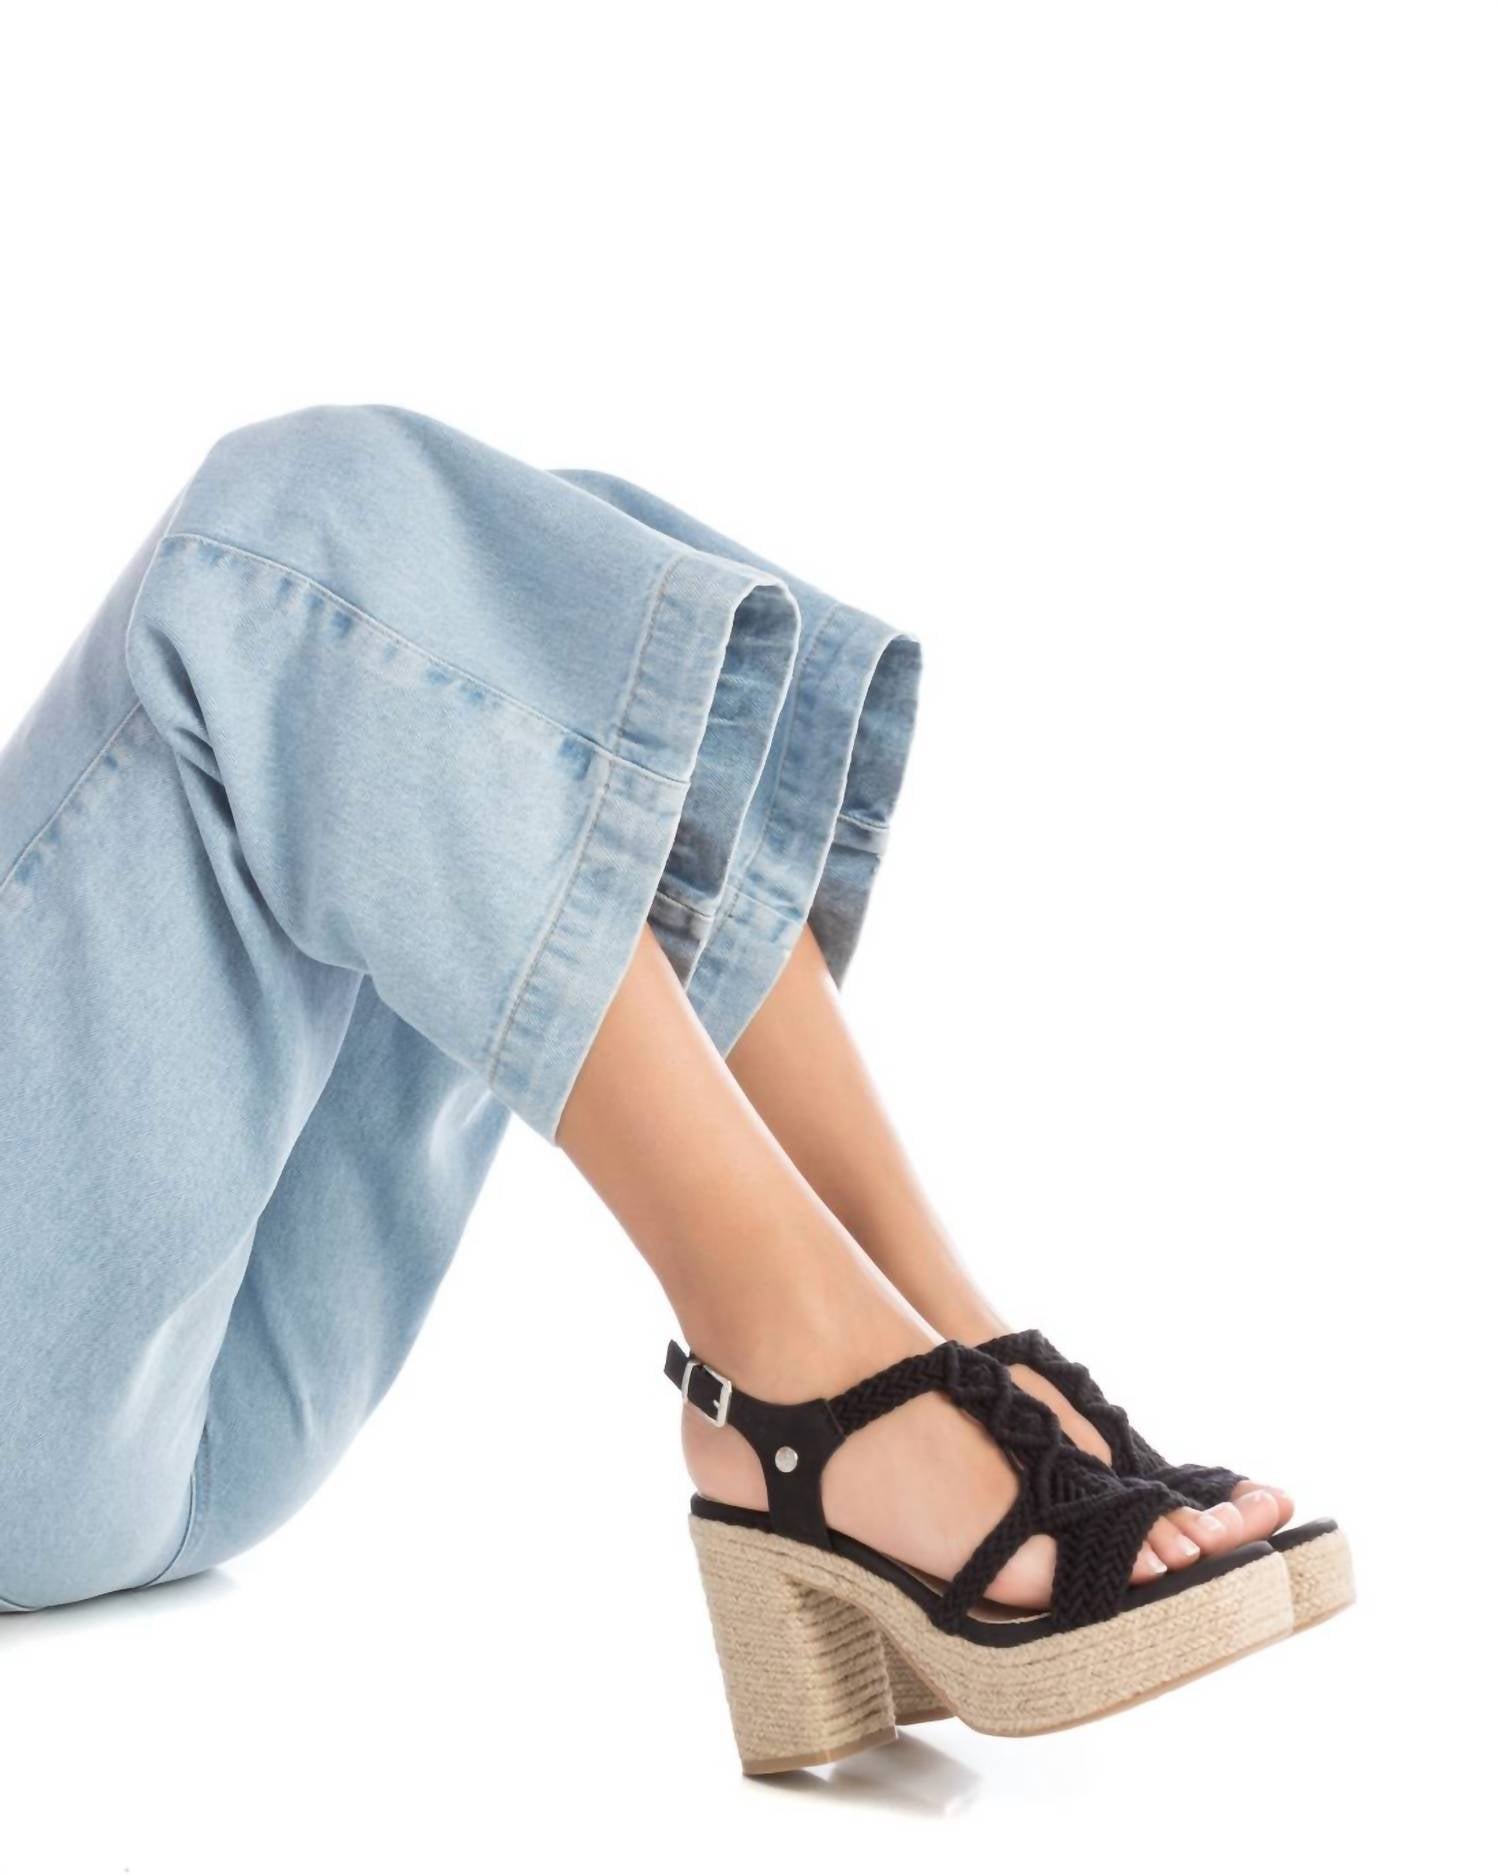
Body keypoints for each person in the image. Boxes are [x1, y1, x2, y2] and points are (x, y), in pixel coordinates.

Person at [0, 406, 1346, 1773]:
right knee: (301, 524)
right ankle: (809, 1369)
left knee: (540, 580)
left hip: (172, 1401)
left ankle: (931, 1337)